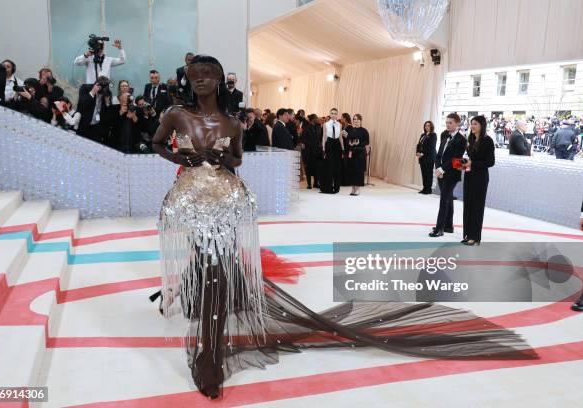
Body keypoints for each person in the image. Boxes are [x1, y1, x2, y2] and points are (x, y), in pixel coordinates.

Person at [149, 54, 537, 400]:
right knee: (208, 260)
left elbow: (237, 160)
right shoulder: (176, 115)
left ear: (218, 79)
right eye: (194, 74)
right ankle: (203, 318)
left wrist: (219, 159)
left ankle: (210, 353)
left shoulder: (232, 122)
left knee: (217, 263)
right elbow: (157, 144)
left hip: (226, 200)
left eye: (206, 74)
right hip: (192, 199)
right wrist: (182, 155)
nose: (200, 80)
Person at [430, 113, 467, 237]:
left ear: (457, 124)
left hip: (452, 173)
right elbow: (439, 154)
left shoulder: (462, 140)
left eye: (450, 123)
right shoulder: (444, 135)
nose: (448, 125)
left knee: (444, 199)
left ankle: (439, 229)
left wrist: (442, 170)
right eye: (447, 122)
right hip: (441, 171)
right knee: (448, 199)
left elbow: (455, 159)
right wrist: (437, 168)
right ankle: (448, 226)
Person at [461, 116, 495, 246]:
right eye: (471, 124)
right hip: (469, 175)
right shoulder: (470, 139)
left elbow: (490, 162)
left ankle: (475, 237)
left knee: (477, 207)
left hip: (480, 178)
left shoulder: (487, 141)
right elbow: (469, 157)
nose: (472, 126)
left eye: (475, 124)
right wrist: (464, 163)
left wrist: (472, 163)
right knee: (468, 206)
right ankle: (468, 234)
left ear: (482, 125)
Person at [320, 108, 344, 194]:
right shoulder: (325, 124)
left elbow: (340, 137)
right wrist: (323, 148)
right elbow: (324, 136)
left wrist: (343, 149)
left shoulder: (340, 125)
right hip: (329, 145)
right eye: (332, 113)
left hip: (337, 145)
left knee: (337, 167)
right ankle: (328, 187)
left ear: (337, 115)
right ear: (329, 114)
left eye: (335, 113)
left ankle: (336, 187)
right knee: (329, 167)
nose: (333, 115)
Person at [346, 114, 369, 196]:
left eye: (357, 119)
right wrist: (350, 143)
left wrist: (359, 143)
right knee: (352, 170)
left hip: (360, 153)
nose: (356, 121)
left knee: (359, 171)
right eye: (354, 119)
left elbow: (367, 142)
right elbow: (348, 140)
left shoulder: (364, 131)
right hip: (352, 152)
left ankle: (358, 188)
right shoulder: (351, 130)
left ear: (360, 120)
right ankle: (353, 188)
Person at [300, 114, 322, 189]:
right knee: (309, 168)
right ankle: (309, 184)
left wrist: (319, 145)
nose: (318, 119)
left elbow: (320, 138)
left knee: (317, 168)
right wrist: (312, 145)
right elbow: (303, 139)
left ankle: (316, 183)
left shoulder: (319, 127)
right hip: (309, 151)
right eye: (316, 118)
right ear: (312, 119)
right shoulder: (306, 128)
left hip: (317, 151)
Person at [416, 121, 437, 194]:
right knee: (424, 173)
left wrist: (422, 153)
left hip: (429, 157)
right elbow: (419, 145)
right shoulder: (423, 135)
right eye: (425, 125)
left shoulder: (433, 135)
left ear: (431, 126)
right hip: (422, 158)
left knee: (429, 173)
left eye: (428, 125)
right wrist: (418, 152)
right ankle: (424, 188)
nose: (427, 127)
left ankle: (428, 189)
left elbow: (431, 147)